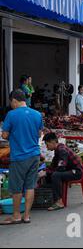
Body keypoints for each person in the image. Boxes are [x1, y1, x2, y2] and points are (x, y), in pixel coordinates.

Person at [0, 90, 43, 225]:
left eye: (11, 102)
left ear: (14, 100)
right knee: (30, 186)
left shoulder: (11, 115)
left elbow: (5, 136)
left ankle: (16, 215)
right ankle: (27, 216)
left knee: (17, 188)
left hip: (19, 156)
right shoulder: (37, 114)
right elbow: (39, 133)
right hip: (34, 155)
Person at [41, 132, 83, 211]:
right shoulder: (58, 150)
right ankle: (51, 198)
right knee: (50, 174)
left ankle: (59, 202)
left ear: (53, 142)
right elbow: (53, 165)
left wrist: (47, 172)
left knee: (56, 175)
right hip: (70, 170)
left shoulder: (62, 150)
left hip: (76, 172)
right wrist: (45, 171)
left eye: (47, 144)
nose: (46, 147)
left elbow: (61, 168)